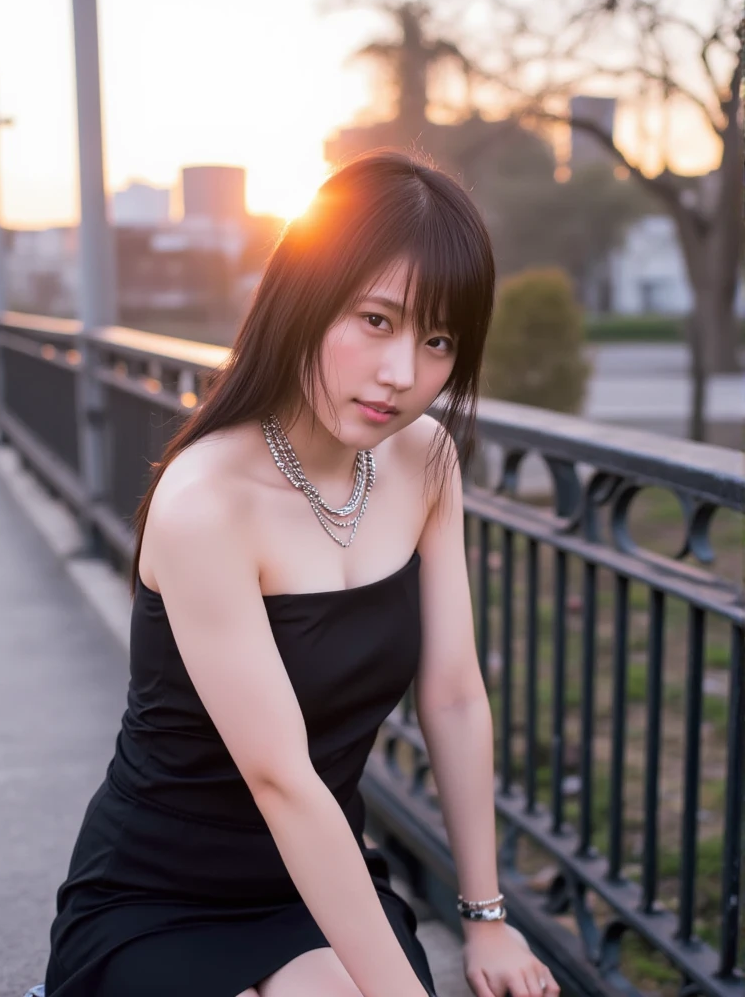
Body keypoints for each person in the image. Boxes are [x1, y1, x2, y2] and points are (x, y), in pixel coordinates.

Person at [39, 149, 560, 997]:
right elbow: (281, 777)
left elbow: (456, 692)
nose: (404, 375)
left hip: (317, 882)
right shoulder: (208, 500)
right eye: (376, 321)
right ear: (305, 299)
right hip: (157, 893)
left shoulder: (424, 458)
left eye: (437, 340)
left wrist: (485, 917)